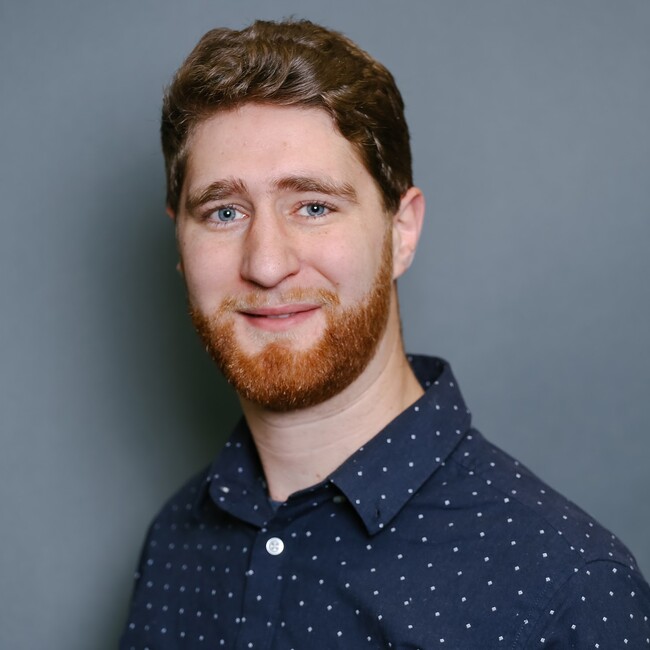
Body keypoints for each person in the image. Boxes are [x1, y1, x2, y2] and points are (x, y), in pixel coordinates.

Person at [121, 19, 650, 648]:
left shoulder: (569, 589)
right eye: (224, 212)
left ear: (401, 232)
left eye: (313, 206)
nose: (265, 264)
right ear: (180, 242)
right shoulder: (175, 545)